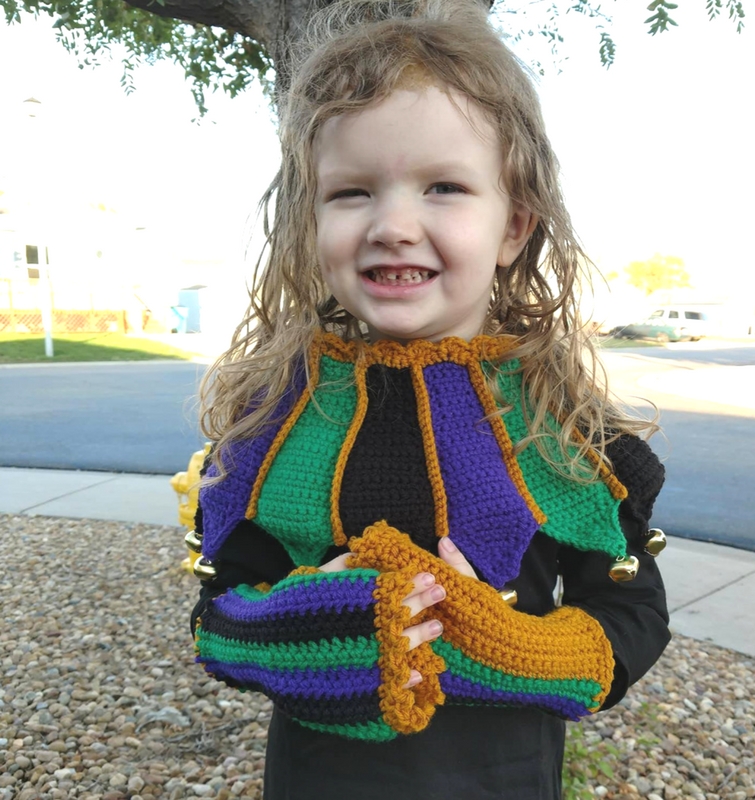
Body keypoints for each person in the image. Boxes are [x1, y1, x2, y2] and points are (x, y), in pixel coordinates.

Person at [189, 0, 671, 797]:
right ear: (311, 221)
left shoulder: (561, 430)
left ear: (514, 226)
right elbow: (215, 619)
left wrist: (511, 648)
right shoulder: (274, 427)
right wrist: (301, 626)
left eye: (444, 187)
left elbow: (633, 617)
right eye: (351, 193)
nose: (394, 224)